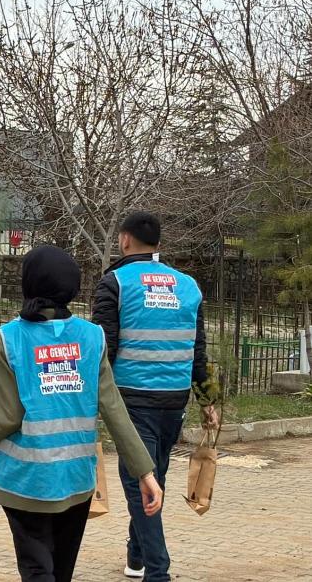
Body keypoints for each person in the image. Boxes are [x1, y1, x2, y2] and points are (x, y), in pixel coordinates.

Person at [0, 245, 163, 582]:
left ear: (28, 283)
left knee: (35, 571)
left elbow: (6, 417)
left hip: (26, 481)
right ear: (72, 287)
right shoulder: (93, 337)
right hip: (76, 480)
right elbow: (114, 408)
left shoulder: (8, 339)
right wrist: (145, 472)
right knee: (60, 573)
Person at [92, 211, 219, 581]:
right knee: (152, 480)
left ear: (124, 239)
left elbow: (104, 348)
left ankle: (158, 572)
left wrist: (93, 400)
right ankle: (136, 557)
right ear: (159, 246)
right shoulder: (188, 286)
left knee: (139, 484)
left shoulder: (114, 282)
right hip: (174, 401)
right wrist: (207, 399)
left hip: (132, 401)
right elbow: (200, 352)